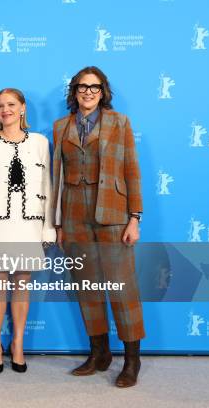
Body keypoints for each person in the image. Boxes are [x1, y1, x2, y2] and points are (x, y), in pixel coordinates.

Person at [52, 66, 144, 388]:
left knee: (121, 288)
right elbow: (57, 177)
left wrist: (135, 217)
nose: (88, 92)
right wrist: (58, 223)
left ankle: (132, 360)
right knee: (86, 287)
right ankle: (99, 353)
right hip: (75, 215)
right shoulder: (60, 126)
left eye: (94, 87)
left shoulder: (120, 123)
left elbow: (131, 169)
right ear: (74, 91)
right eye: (82, 87)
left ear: (103, 91)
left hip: (114, 213)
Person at [0, 88, 55, 374]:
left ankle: (17, 344)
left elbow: (48, 187)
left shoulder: (42, 142)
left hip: (30, 223)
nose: (5, 110)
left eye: (10, 104)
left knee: (22, 284)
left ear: (22, 108)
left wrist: (48, 229)